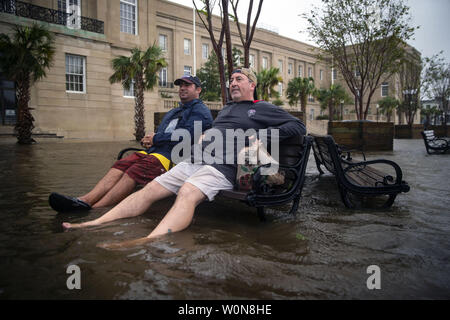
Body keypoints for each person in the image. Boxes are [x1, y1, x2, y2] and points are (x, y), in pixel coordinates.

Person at [62, 68, 306, 248]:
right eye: (231, 79)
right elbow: (218, 130)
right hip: (196, 161)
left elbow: (298, 126)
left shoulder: (261, 108)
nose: (233, 83)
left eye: (239, 79)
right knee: (149, 190)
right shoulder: (228, 108)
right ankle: (94, 223)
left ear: (252, 84)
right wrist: (207, 135)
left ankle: (147, 240)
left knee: (187, 192)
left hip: (224, 167)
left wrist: (263, 135)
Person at [49, 75, 213, 212]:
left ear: (198, 90)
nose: (182, 88)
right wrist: (149, 140)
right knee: (122, 163)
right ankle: (84, 200)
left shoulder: (200, 111)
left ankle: (94, 210)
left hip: (174, 157)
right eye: (181, 85)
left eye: (187, 85)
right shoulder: (174, 111)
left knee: (137, 169)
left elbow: (188, 136)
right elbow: (161, 134)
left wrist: (156, 138)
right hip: (155, 152)